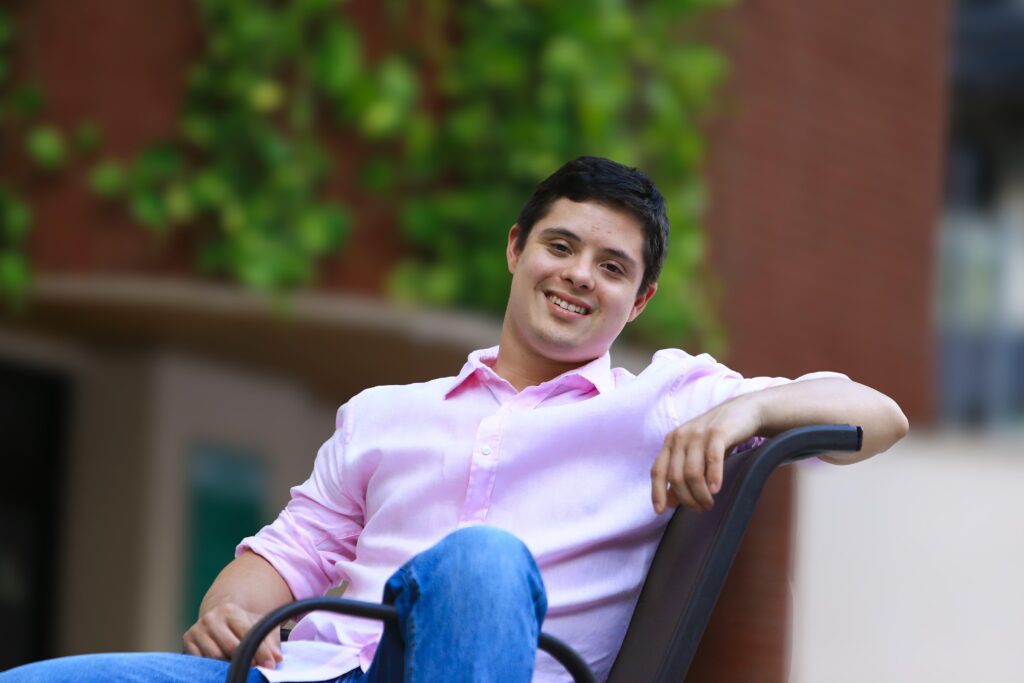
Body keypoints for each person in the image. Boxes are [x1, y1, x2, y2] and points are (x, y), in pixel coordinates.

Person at [1, 156, 909, 683]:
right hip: (314, 676)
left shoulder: (662, 398)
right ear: (516, 250)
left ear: (639, 301)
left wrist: (751, 404)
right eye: (560, 245)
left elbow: (881, 414)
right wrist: (236, 611)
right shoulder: (382, 415)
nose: (578, 275)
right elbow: (281, 559)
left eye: (611, 267)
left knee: (483, 560)